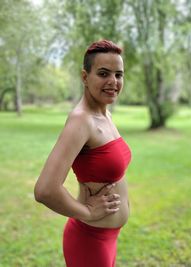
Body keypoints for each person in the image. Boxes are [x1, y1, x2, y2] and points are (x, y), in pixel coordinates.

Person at [34, 39, 132, 267]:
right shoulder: (81, 120)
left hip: (109, 237)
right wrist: (86, 212)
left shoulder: (105, 115)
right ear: (85, 77)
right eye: (104, 73)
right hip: (90, 240)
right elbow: (45, 190)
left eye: (119, 75)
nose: (113, 82)